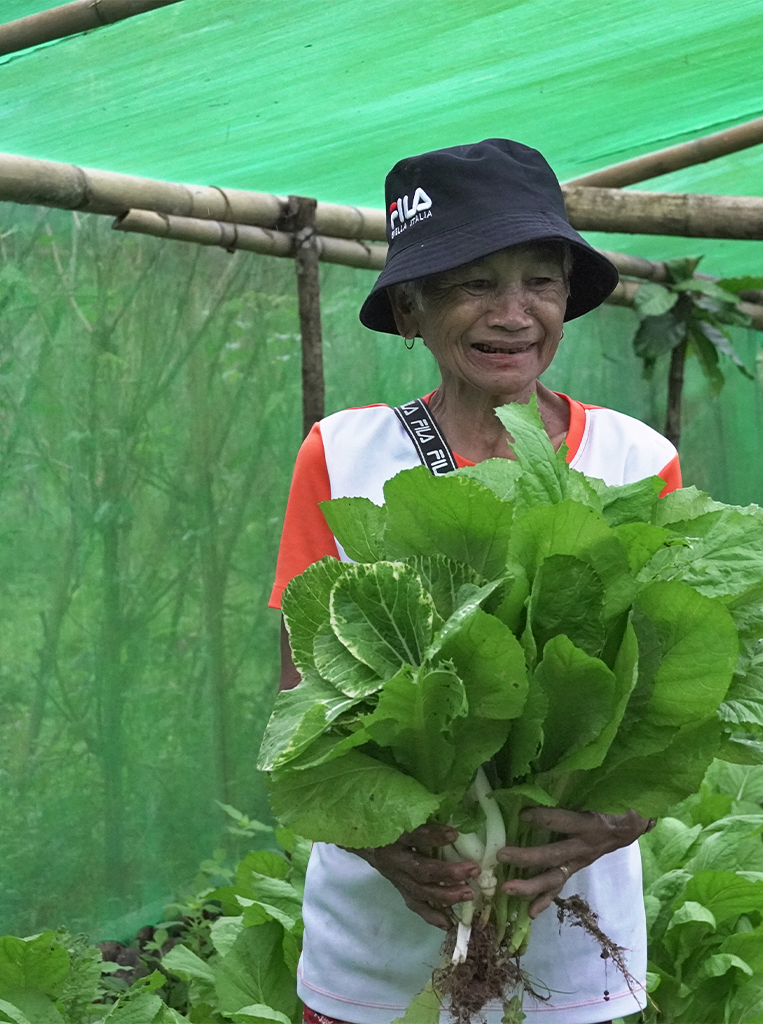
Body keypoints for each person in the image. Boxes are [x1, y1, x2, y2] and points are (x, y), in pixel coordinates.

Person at [269, 139, 682, 1024]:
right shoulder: (343, 456)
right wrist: (379, 836)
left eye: (541, 279)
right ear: (411, 308)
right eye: (473, 284)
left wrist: (612, 826)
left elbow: (670, 700)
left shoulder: (637, 462)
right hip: (376, 948)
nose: (514, 312)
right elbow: (301, 689)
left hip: (568, 949)